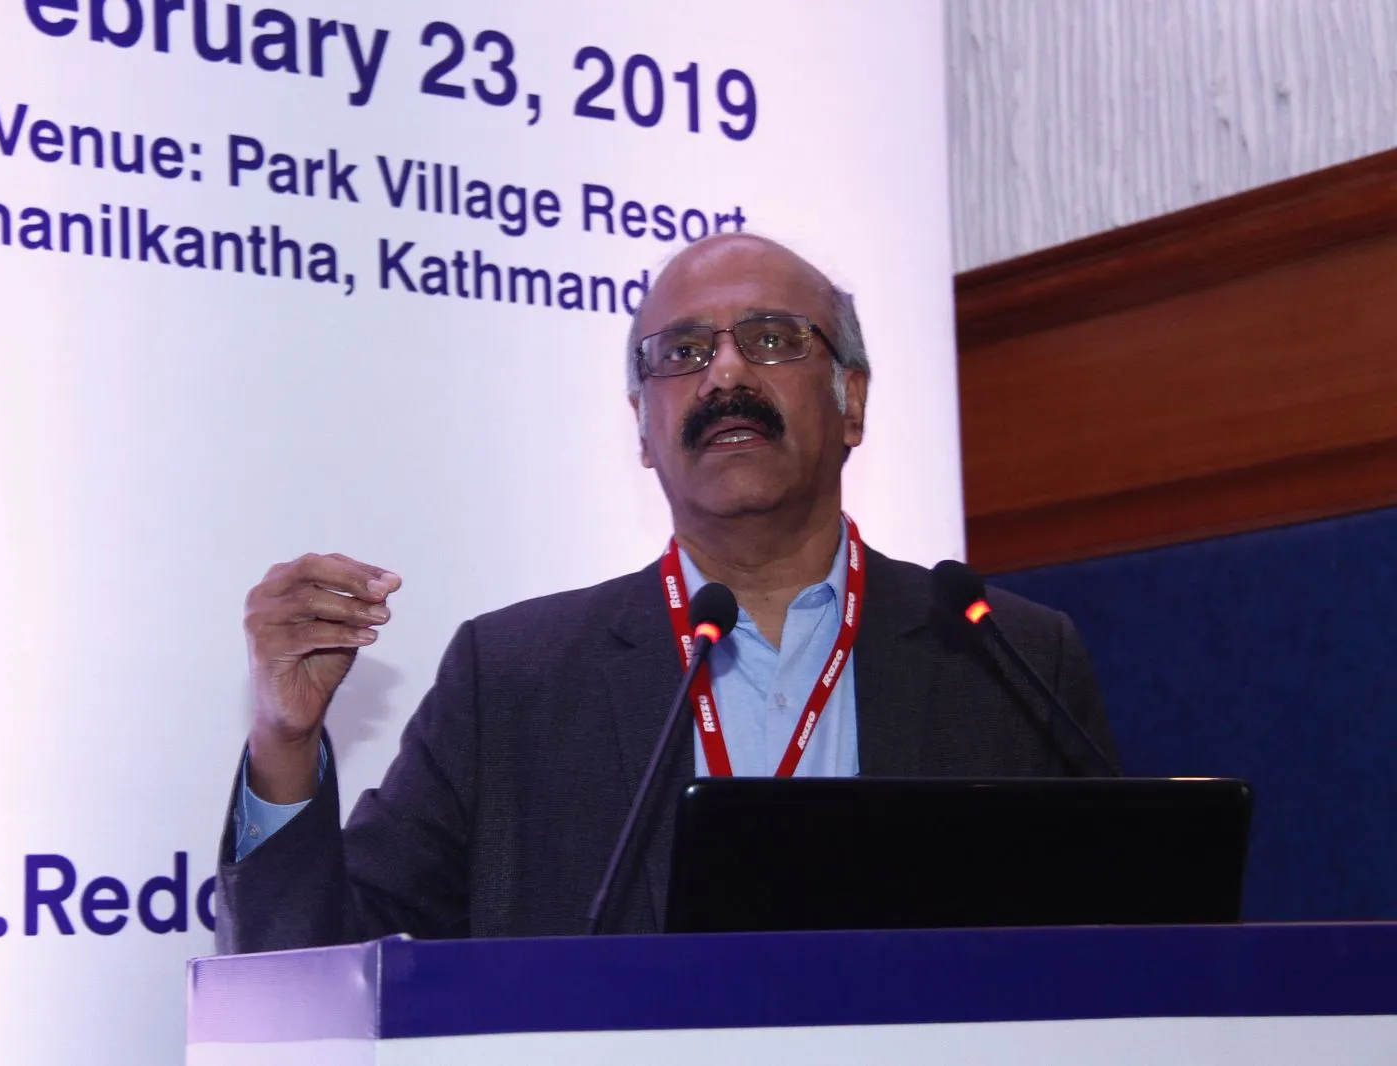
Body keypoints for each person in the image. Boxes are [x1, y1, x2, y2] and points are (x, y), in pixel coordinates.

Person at [214, 233, 1117, 953]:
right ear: (642, 429)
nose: (726, 375)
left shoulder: (1007, 657)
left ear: (852, 400)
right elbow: (318, 972)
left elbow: (1119, 954)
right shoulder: (513, 679)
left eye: (772, 339)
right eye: (682, 352)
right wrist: (284, 741)